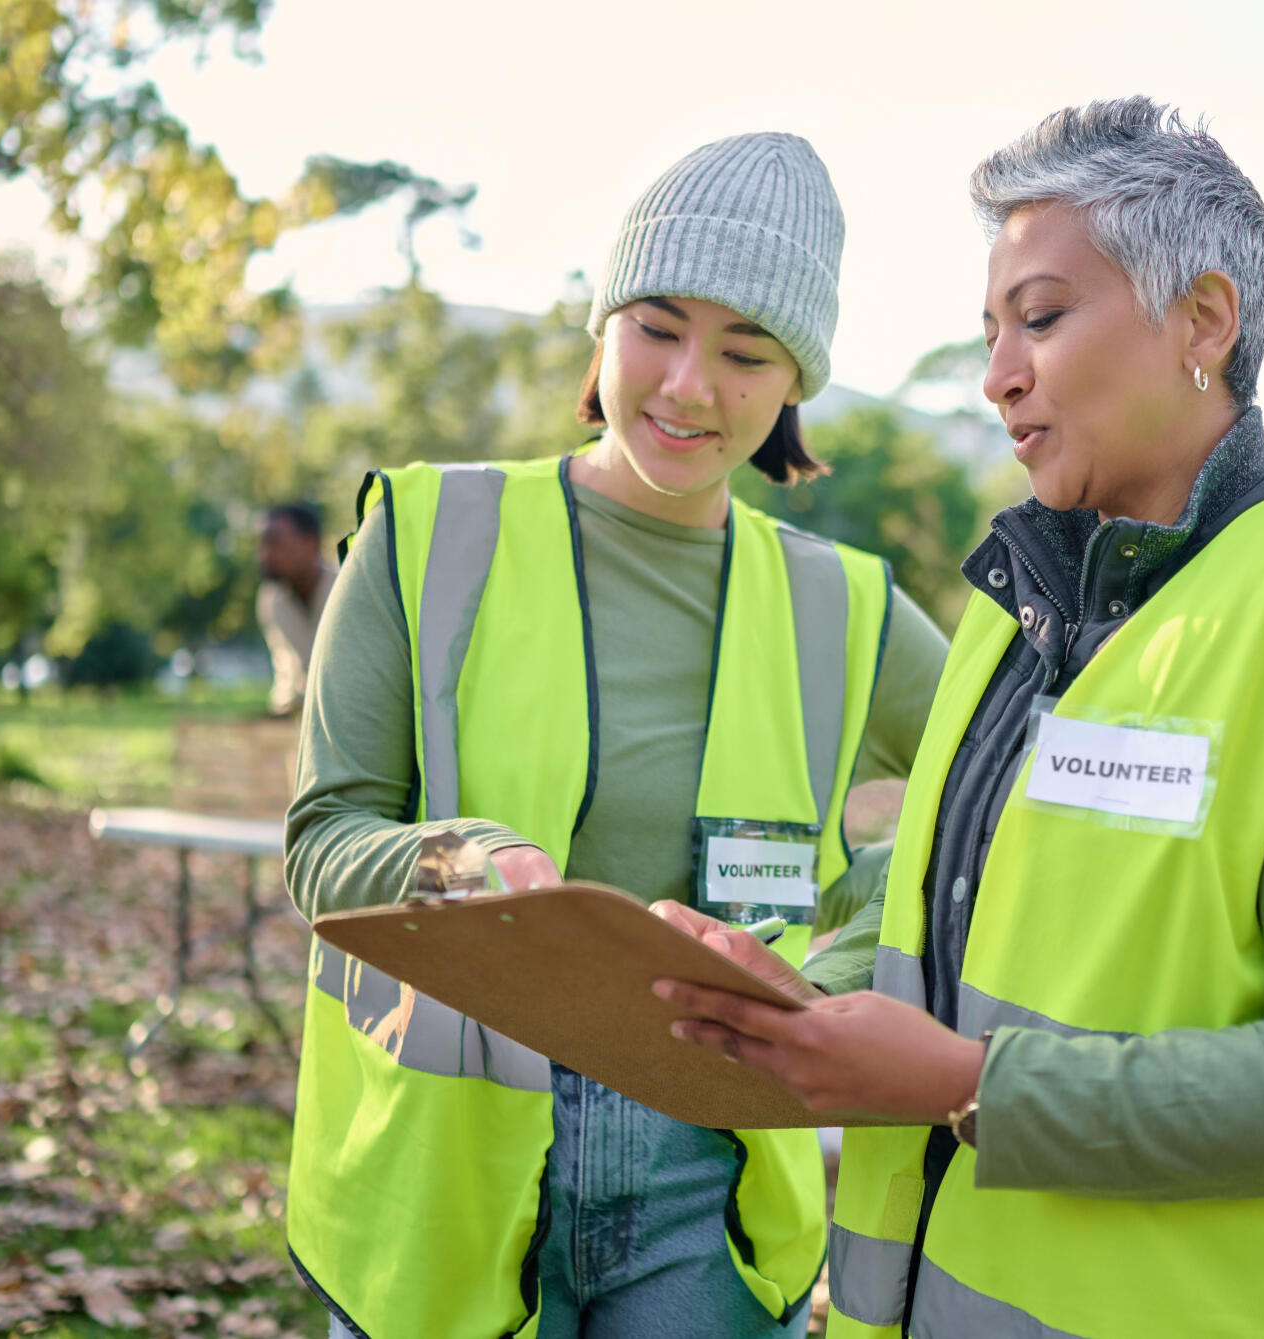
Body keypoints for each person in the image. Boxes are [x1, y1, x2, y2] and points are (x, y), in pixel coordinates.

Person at [655, 98, 1264, 1339]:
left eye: (1043, 317)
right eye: (990, 330)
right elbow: (963, 932)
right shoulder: (1007, 617)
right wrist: (792, 992)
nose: (996, 372)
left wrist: (967, 1088)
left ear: (1204, 322)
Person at [281, 132, 949, 1339]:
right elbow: (324, 840)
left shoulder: (845, 606)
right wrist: (465, 862)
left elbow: (995, 818)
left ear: (794, 381)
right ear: (601, 327)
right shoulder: (424, 534)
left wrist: (831, 971)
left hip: (715, 1182)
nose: (690, 385)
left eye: (746, 351)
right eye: (656, 326)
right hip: (442, 1178)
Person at [255, 503, 336, 716]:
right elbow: (287, 674)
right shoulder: (271, 599)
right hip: (293, 721)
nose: (264, 555)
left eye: (274, 542)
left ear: (310, 543)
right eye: (262, 544)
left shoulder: (346, 590)